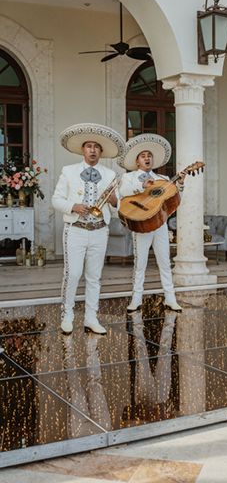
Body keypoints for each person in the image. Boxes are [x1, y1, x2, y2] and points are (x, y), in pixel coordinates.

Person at [52, 123, 125, 335]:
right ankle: (67, 315)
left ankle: (91, 318)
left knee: (94, 276)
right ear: (83, 150)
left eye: (96, 147)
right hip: (75, 228)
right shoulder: (68, 171)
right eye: (89, 146)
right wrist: (73, 206)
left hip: (100, 230)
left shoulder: (110, 174)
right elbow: (56, 200)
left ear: (101, 152)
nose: (93, 150)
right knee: (73, 274)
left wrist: (114, 201)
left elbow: (119, 204)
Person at [118, 134, 185, 313]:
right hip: (141, 223)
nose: (147, 158)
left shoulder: (162, 179)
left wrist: (181, 186)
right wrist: (142, 186)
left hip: (160, 224)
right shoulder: (129, 177)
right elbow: (123, 193)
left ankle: (170, 298)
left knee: (165, 261)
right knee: (140, 263)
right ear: (137, 161)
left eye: (149, 155)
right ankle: (136, 299)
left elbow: (175, 201)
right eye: (143, 156)